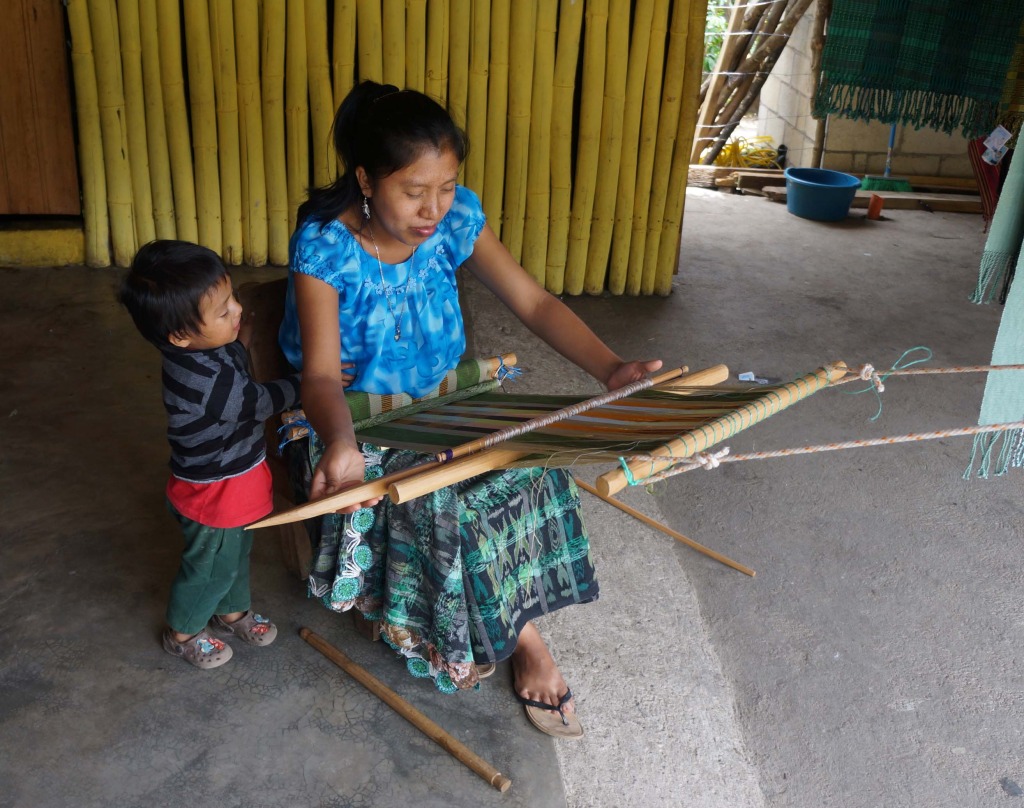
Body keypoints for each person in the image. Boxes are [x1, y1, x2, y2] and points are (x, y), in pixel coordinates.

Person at [278, 81, 662, 738]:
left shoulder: (457, 222)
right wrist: (339, 441)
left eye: (447, 186)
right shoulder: (327, 246)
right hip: (360, 416)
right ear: (367, 179)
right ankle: (526, 643)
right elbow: (318, 374)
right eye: (413, 191)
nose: (434, 209)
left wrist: (611, 369)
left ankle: (515, 626)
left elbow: (535, 303)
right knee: (446, 501)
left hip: (450, 400)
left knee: (529, 463)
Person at [119, 240, 301, 669]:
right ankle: (183, 632)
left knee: (235, 550)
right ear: (180, 336)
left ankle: (231, 612)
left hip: (235, 475)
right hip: (213, 490)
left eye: (232, 298)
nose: (237, 310)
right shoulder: (199, 378)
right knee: (210, 565)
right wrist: (305, 384)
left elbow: (233, 356)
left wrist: (240, 337)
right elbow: (254, 403)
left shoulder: (204, 347)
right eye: (223, 311)